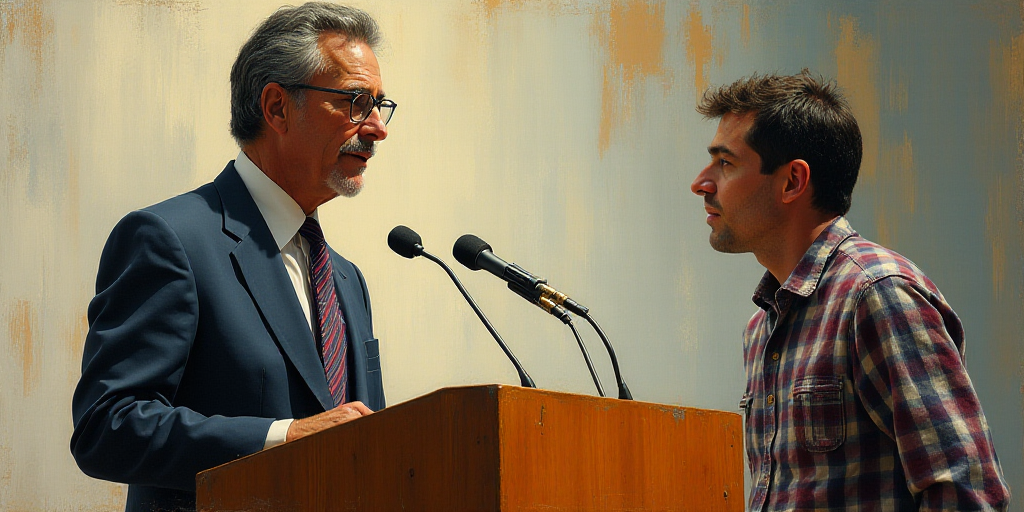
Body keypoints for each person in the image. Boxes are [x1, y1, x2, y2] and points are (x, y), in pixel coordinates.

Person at [70, 3, 395, 511]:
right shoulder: (171, 240)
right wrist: (282, 438)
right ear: (277, 108)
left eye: (379, 105)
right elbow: (107, 426)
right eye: (356, 102)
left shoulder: (346, 280)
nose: (377, 128)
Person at [690, 71, 1011, 511]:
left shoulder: (878, 294)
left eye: (725, 163)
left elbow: (965, 490)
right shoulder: (761, 327)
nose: (701, 182)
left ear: (792, 181)